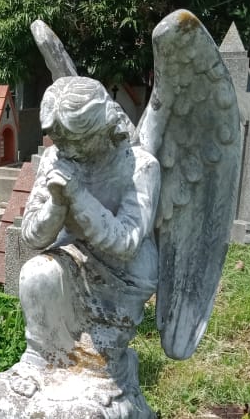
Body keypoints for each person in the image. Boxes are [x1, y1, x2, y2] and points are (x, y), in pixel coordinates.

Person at [16, 76, 160, 389]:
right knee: (36, 273)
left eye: (77, 141)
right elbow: (30, 238)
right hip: (74, 257)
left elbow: (127, 242)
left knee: (96, 374)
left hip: (124, 275)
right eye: (60, 140)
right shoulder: (57, 159)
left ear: (103, 128)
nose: (68, 150)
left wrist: (79, 197)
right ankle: (41, 354)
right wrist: (56, 204)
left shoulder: (139, 167)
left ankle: (106, 358)